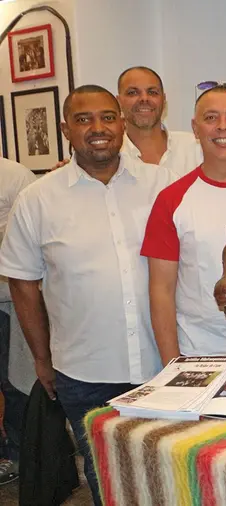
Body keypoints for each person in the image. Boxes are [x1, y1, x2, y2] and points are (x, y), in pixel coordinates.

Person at [0, 85, 175, 506]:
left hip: (163, 365)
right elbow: (23, 282)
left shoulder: (162, 184)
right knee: (108, 486)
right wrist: (42, 358)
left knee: (169, 479)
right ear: (65, 129)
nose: (98, 128)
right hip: (85, 374)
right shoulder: (37, 199)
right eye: (83, 119)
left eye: (107, 117)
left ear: (122, 123)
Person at [142, 84, 226, 364]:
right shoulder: (171, 200)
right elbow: (161, 292)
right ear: (195, 128)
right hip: (199, 355)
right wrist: (171, 365)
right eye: (211, 118)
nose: (222, 127)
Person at [54, 67, 226, 179]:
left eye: (152, 92)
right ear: (118, 100)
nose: (144, 99)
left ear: (163, 99)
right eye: (133, 92)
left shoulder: (197, 145)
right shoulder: (105, 158)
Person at [0, 158, 35, 485]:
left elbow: (20, 247)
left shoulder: (15, 177)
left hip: (6, 300)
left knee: (12, 383)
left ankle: (19, 455)